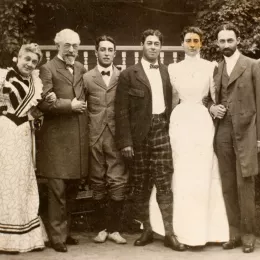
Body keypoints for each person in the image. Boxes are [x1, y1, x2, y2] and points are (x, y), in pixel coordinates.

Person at [149, 26, 229, 248]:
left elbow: (215, 97)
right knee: (181, 169)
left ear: (201, 43)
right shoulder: (173, 69)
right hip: (180, 120)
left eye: (196, 40)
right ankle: (175, 230)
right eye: (188, 40)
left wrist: (213, 108)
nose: (192, 44)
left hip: (202, 121)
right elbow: (170, 98)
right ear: (182, 43)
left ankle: (208, 230)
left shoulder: (211, 67)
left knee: (203, 170)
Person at [115, 29, 186, 251]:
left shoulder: (166, 72)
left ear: (160, 47)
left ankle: (169, 233)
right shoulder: (128, 74)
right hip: (138, 136)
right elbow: (121, 111)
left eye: (156, 44)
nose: (153, 47)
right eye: (149, 43)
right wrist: (126, 142)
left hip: (161, 130)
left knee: (164, 182)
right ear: (141, 45)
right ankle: (146, 230)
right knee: (141, 184)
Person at [209, 23, 260, 253]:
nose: (226, 45)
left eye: (230, 40)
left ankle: (249, 235)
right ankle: (234, 233)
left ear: (238, 40)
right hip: (223, 133)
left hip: (247, 130)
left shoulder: (252, 65)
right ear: (218, 43)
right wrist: (213, 107)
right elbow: (209, 98)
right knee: (228, 184)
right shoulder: (216, 69)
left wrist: (259, 137)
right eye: (222, 41)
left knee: (245, 183)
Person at [0, 43, 56, 253]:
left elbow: (32, 111)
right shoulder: (3, 77)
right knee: (5, 179)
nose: (30, 64)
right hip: (4, 130)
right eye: (27, 59)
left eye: (34, 62)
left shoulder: (35, 82)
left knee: (22, 179)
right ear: (17, 57)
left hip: (23, 132)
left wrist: (40, 107)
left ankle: (24, 235)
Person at [37, 29, 88, 253]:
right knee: (57, 189)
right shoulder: (47, 69)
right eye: (67, 45)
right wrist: (70, 105)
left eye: (75, 46)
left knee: (72, 188)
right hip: (57, 140)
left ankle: (65, 233)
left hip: (77, 138)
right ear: (57, 45)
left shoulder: (81, 68)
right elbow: (44, 104)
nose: (71, 50)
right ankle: (56, 236)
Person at [83, 35, 128, 244]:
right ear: (96, 52)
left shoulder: (123, 76)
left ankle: (115, 229)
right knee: (98, 181)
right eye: (103, 49)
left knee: (117, 179)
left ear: (115, 53)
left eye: (110, 50)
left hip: (116, 136)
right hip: (94, 136)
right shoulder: (87, 77)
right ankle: (101, 228)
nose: (107, 53)